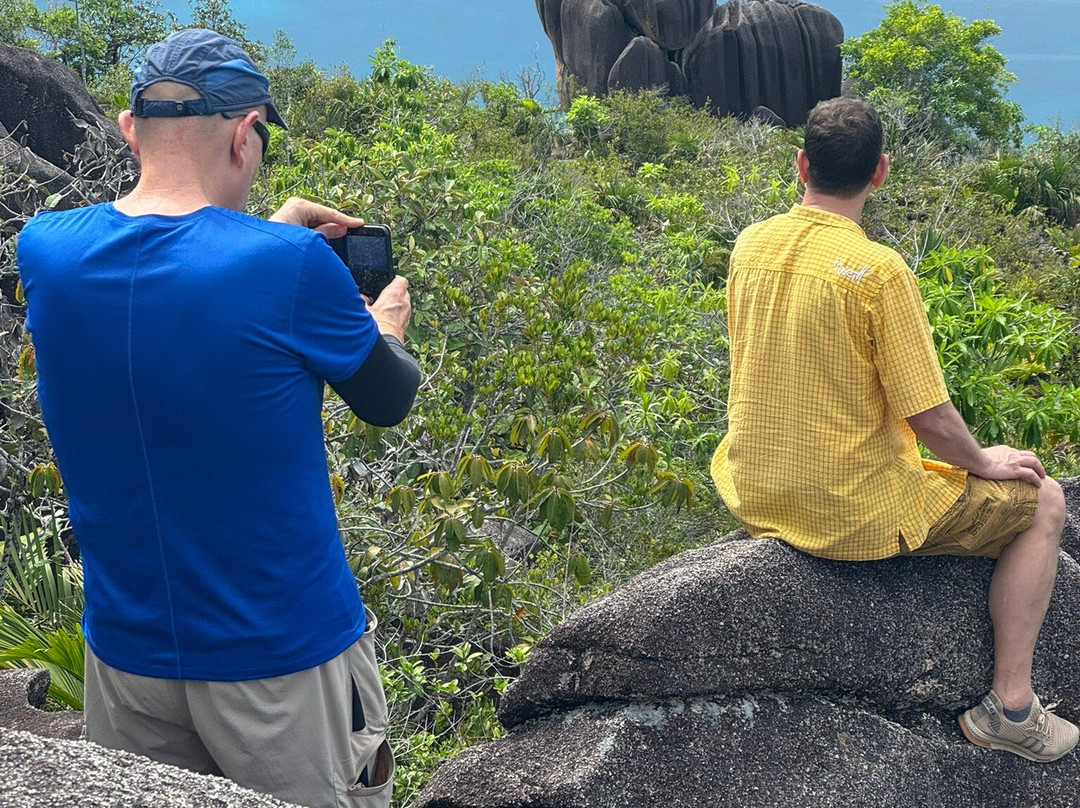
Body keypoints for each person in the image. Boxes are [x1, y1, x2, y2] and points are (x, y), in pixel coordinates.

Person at [16, 29, 419, 808]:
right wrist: (386, 324)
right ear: (244, 135)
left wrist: (262, 237)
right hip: (282, 659)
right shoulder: (293, 267)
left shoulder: (48, 252)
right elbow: (387, 398)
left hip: (128, 661)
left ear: (130, 131)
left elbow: (171, 277)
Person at [711, 96, 1077, 763]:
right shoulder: (880, 272)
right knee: (1044, 503)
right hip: (848, 509)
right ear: (880, 172)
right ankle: (1012, 709)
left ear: (801, 166)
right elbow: (931, 418)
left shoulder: (749, 245)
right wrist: (984, 462)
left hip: (757, 491)